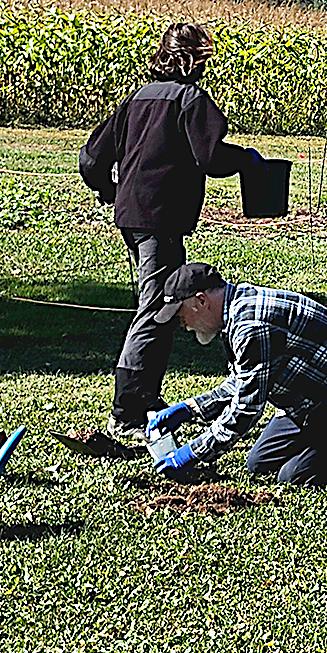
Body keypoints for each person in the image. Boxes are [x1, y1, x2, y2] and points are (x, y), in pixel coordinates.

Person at [78, 23, 263, 443]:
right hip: (159, 219)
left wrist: (112, 192)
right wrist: (248, 160)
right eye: (205, 56)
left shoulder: (135, 99)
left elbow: (91, 160)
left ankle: (145, 399)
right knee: (154, 309)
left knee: (161, 306)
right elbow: (211, 157)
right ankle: (128, 411)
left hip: (131, 215)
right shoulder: (191, 100)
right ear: (193, 59)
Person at [145, 262, 327, 486]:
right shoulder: (236, 310)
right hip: (310, 400)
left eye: (180, 314)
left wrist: (191, 453)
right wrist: (189, 409)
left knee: (295, 475)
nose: (182, 324)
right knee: (259, 464)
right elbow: (244, 381)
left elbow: (246, 409)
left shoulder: (251, 327)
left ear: (201, 301)